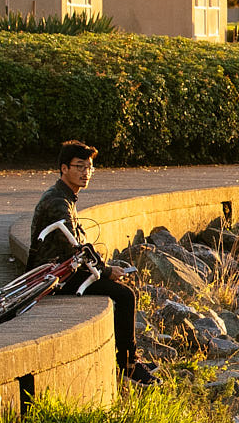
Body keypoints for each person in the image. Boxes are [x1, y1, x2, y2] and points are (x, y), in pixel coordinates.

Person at [29, 140, 155, 386]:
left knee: (118, 291)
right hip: (55, 275)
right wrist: (106, 271)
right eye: (79, 167)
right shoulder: (58, 202)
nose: (85, 173)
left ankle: (129, 359)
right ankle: (128, 364)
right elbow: (72, 245)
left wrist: (104, 268)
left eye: (89, 168)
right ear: (64, 168)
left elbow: (78, 243)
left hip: (61, 268)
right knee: (125, 295)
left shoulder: (64, 196)